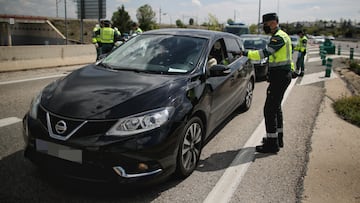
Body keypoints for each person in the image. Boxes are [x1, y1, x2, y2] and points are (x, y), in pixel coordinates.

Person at [243, 13, 294, 153]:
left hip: (280, 77)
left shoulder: (278, 38)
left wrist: (245, 53)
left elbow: (263, 54)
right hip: (281, 76)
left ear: (272, 23)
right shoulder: (283, 35)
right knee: (276, 108)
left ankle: (272, 144)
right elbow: (287, 57)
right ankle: (278, 138)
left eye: (265, 24)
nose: (264, 27)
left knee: (269, 110)